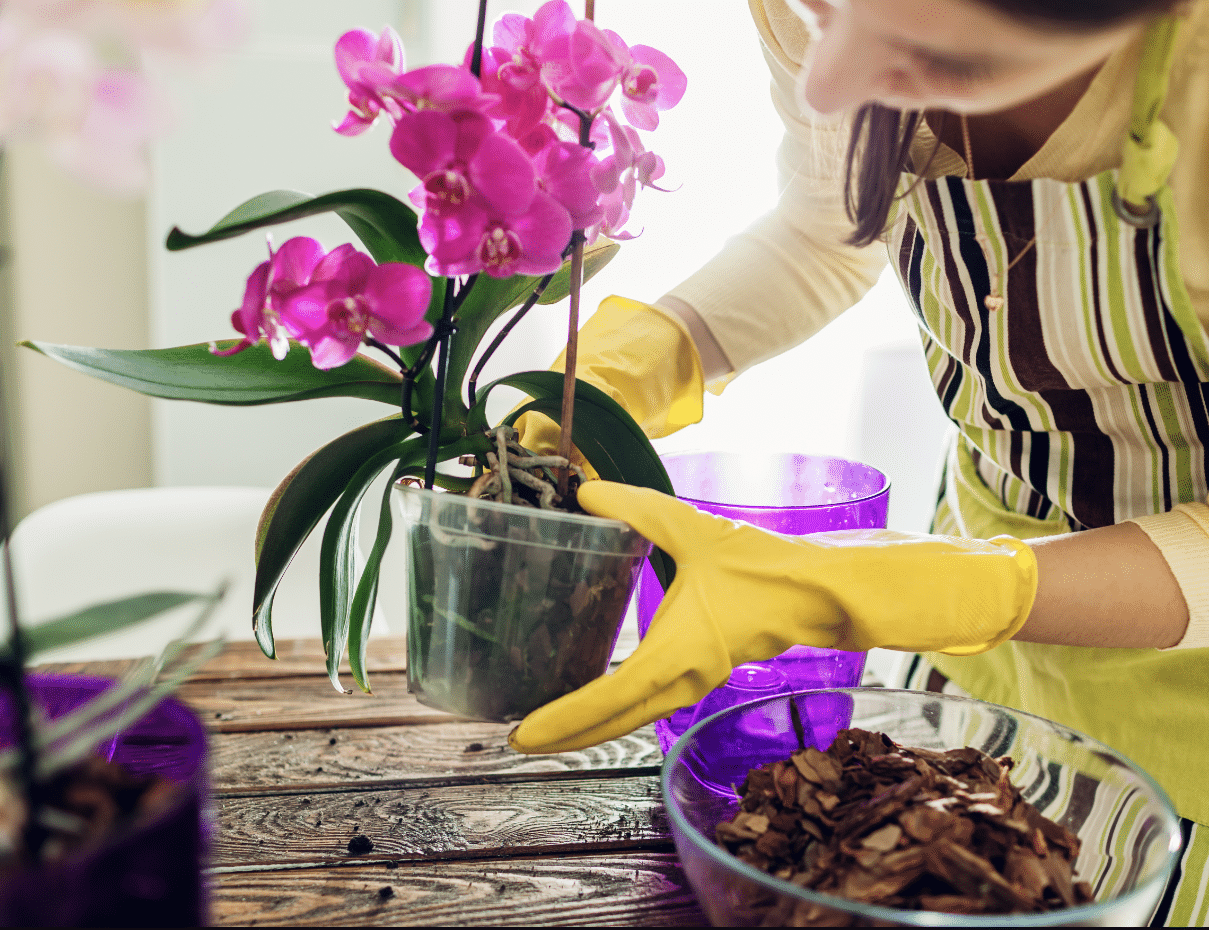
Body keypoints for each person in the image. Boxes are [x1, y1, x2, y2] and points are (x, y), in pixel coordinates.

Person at [508, 0, 1209, 922]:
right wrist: (633, 366)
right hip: (981, 676)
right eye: (820, 8)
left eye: (921, 47)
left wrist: (942, 587)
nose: (825, 78)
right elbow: (826, 225)